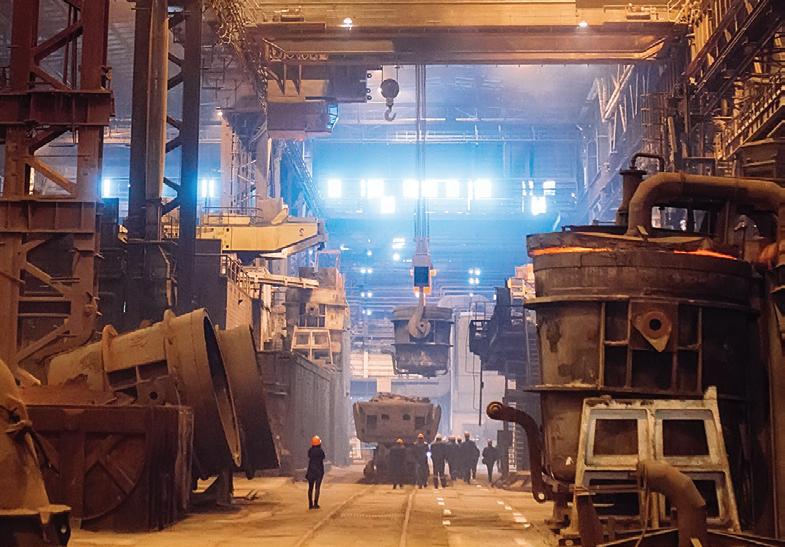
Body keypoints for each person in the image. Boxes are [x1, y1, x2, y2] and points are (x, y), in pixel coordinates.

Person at [307, 435, 325, 510]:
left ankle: (310, 504)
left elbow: (309, 456)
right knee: (317, 488)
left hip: (311, 471)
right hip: (319, 471)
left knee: (310, 488)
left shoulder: (310, 451)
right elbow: (323, 457)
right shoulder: (320, 451)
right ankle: (316, 504)